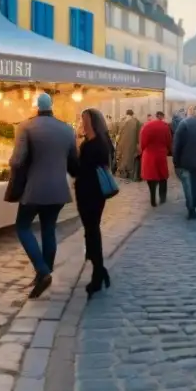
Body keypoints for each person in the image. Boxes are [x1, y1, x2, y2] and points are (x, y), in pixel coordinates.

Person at [10, 92, 79, 299]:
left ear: (36, 107)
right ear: (52, 106)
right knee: (49, 229)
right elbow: (74, 164)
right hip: (58, 189)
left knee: (22, 226)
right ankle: (44, 275)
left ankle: (42, 270)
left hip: (34, 189)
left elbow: (17, 160)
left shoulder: (26, 127)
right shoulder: (67, 129)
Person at [76, 108, 114, 298]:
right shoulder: (90, 142)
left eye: (84, 120)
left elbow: (84, 168)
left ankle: (98, 273)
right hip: (86, 192)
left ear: (92, 122)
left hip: (92, 192)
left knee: (92, 230)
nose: (82, 123)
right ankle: (98, 269)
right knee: (90, 230)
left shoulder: (97, 143)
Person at [172, 106, 196, 219]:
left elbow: (177, 145)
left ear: (188, 113)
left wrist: (176, 161)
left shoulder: (183, 124)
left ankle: (191, 208)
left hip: (185, 161)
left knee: (187, 185)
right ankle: (194, 203)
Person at [140, 111, 172, 207]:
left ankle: (153, 199)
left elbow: (143, 143)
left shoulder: (146, 126)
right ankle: (162, 197)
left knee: (151, 178)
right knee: (162, 176)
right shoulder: (165, 126)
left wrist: (142, 150)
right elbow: (169, 141)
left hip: (149, 155)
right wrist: (168, 150)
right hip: (161, 154)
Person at [115, 110, 141, 181]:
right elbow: (139, 134)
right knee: (131, 158)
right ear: (133, 114)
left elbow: (117, 134)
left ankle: (122, 173)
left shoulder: (121, 121)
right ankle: (131, 175)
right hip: (132, 144)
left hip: (121, 144)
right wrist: (138, 145)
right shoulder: (136, 122)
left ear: (126, 114)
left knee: (122, 158)